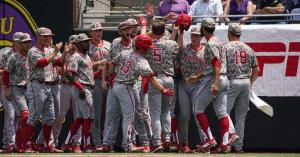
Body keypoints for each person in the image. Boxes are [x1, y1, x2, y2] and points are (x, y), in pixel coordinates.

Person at [107, 34, 174, 152]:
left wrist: (111, 77)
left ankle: (135, 143)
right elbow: (151, 78)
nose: (149, 49)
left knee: (129, 116)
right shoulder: (141, 60)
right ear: (143, 47)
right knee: (129, 117)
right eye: (147, 47)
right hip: (126, 87)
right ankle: (128, 145)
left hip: (117, 85)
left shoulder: (125, 52)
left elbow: (112, 63)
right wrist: (163, 89)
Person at [192, 18, 235, 153]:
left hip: (215, 79)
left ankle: (209, 139)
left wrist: (215, 82)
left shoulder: (210, 43)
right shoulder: (218, 41)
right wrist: (197, 77)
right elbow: (214, 64)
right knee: (222, 113)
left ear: (204, 29)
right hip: (224, 79)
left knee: (197, 107)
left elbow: (216, 63)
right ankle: (224, 143)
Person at [19, 27, 63, 153]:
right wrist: (55, 52)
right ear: (37, 37)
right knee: (33, 117)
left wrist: (65, 53)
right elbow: (41, 63)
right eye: (44, 36)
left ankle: (46, 146)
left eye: (49, 36)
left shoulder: (50, 50)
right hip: (36, 85)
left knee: (50, 118)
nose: (47, 38)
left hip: (49, 85)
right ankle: (26, 146)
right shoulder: (33, 51)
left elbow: (59, 63)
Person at [144, 20, 178, 152]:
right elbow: (177, 47)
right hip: (169, 79)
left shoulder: (149, 43)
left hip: (155, 79)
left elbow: (139, 40)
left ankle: (157, 141)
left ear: (152, 32)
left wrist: (144, 27)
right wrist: (175, 31)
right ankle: (168, 138)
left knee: (156, 112)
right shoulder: (170, 43)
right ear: (164, 31)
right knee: (167, 110)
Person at [225, 23, 259, 153]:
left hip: (232, 82)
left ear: (229, 33)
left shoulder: (226, 47)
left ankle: (227, 144)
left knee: (224, 112)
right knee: (241, 118)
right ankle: (238, 148)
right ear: (239, 34)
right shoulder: (248, 48)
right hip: (245, 82)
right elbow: (256, 69)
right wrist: (250, 82)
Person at [63, 33, 96, 152]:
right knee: (89, 117)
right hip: (82, 88)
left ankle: (66, 144)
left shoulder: (86, 56)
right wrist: (80, 87)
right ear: (77, 44)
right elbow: (68, 73)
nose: (87, 43)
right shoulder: (75, 56)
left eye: (87, 41)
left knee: (80, 119)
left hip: (86, 86)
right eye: (84, 41)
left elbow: (88, 75)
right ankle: (87, 146)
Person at [176, 26, 208, 153]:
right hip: (184, 84)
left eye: (196, 35)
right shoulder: (185, 48)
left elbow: (210, 68)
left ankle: (205, 141)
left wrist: (198, 77)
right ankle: (183, 143)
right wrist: (181, 34)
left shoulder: (205, 50)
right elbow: (178, 48)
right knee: (184, 115)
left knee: (197, 113)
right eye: (192, 35)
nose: (194, 37)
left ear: (201, 37)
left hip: (198, 84)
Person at [87, 22, 110, 148]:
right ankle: (97, 142)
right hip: (94, 81)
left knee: (110, 113)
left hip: (108, 81)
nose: (98, 33)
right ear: (90, 32)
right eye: (95, 31)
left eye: (100, 30)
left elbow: (112, 62)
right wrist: (100, 63)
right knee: (96, 114)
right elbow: (85, 65)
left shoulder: (108, 44)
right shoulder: (87, 46)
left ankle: (107, 141)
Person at [59, 35, 83, 153]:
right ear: (68, 43)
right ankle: (52, 143)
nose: (74, 45)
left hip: (77, 88)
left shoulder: (81, 56)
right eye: (72, 43)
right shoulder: (63, 55)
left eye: (76, 43)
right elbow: (60, 70)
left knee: (78, 117)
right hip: (64, 86)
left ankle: (76, 144)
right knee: (60, 116)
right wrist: (64, 53)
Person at [0, 32, 23, 153]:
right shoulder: (7, 54)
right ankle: (10, 144)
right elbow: (1, 70)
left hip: (20, 89)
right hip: (7, 87)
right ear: (14, 43)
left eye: (22, 42)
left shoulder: (24, 55)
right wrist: (6, 85)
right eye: (18, 42)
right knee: (10, 115)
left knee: (18, 117)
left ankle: (8, 142)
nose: (19, 44)